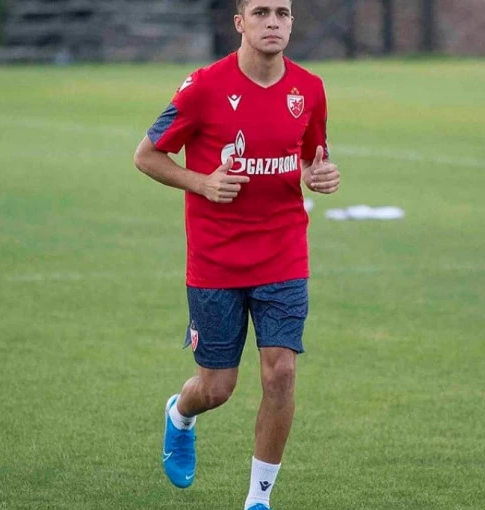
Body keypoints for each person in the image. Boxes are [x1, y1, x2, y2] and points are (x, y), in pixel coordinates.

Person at [133, 1, 340, 509]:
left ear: (292, 23)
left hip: (283, 253)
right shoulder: (203, 87)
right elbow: (147, 155)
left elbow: (311, 158)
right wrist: (201, 182)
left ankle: (258, 500)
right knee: (217, 388)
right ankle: (180, 414)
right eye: (261, 12)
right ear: (239, 23)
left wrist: (318, 176)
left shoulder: (309, 89)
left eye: (283, 13)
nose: (273, 22)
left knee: (281, 372)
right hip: (216, 261)